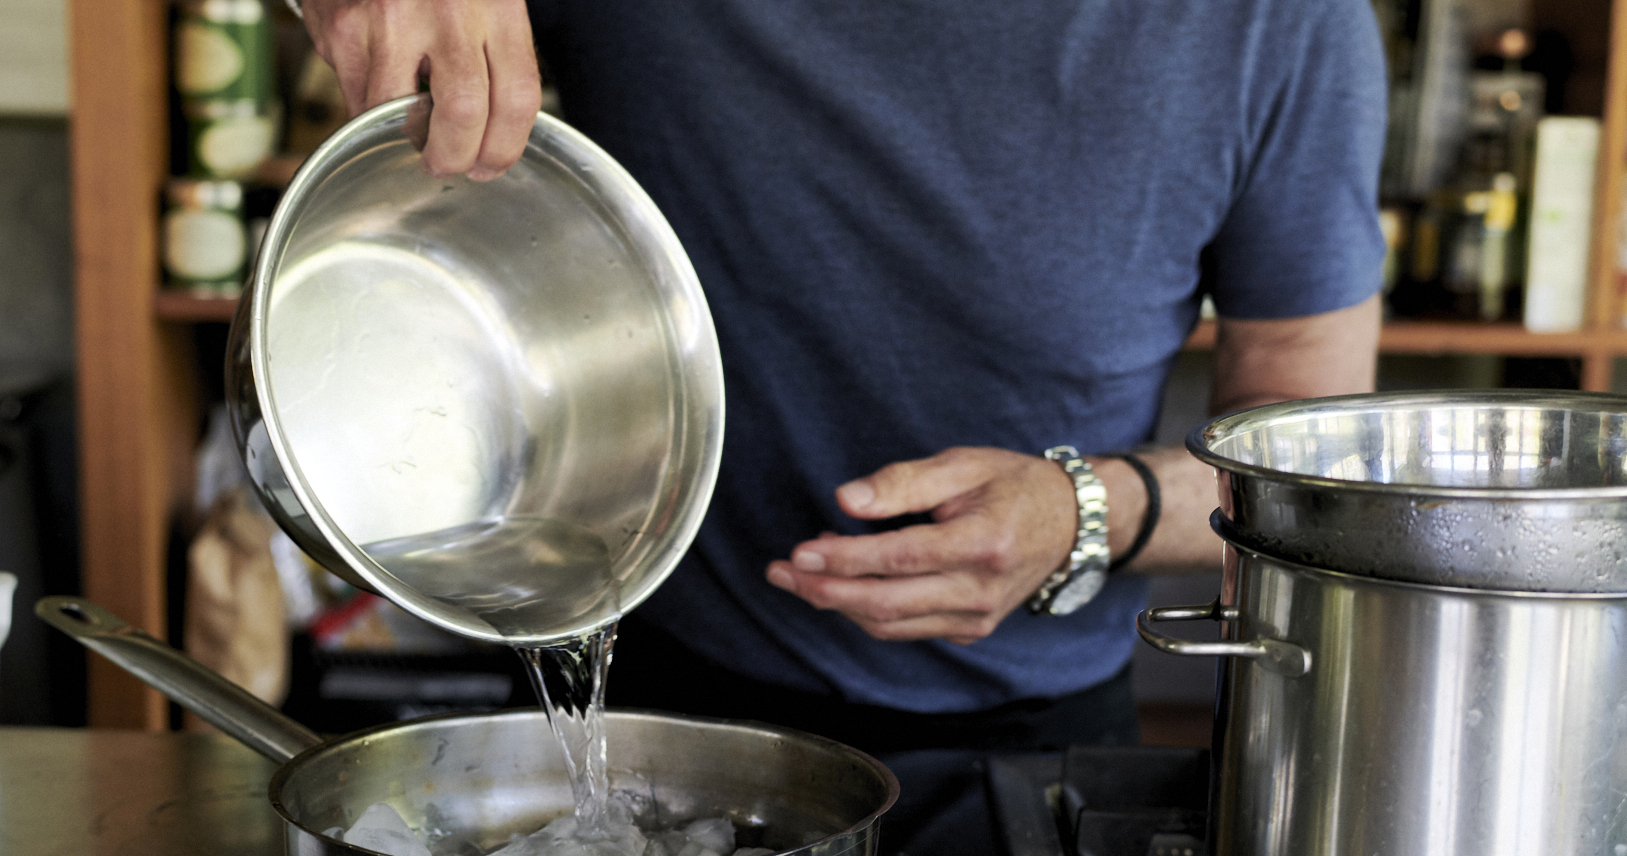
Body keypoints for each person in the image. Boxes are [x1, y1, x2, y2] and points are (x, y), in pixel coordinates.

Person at [294, 0, 1386, 753]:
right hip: (646, 692)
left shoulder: (1279, 26)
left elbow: (1312, 475)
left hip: (1025, 747)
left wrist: (1086, 510)